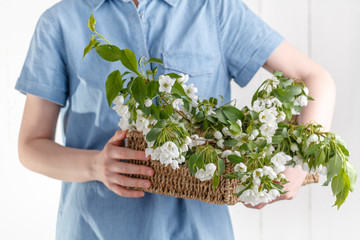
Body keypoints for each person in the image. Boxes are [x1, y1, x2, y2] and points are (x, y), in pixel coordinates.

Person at [16, 0, 335, 239]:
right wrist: (96, 166)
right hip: (95, 228)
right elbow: (31, 145)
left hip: (199, 230)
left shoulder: (214, 10)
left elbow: (313, 78)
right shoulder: (61, 21)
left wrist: (300, 162)